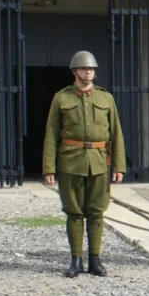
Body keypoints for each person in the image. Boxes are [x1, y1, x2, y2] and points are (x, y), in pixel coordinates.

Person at [42, 51, 126, 278]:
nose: (89, 72)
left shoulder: (105, 98)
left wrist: (118, 165)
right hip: (70, 161)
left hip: (99, 161)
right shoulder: (62, 98)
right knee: (74, 211)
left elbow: (116, 133)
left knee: (96, 212)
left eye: (92, 69)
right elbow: (52, 134)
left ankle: (95, 259)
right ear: (74, 71)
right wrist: (48, 167)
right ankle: (76, 259)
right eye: (84, 69)